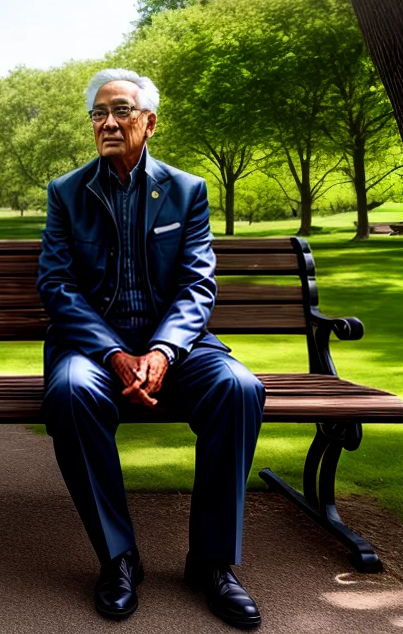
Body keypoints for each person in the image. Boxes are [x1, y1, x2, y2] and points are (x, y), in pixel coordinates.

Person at [38, 69, 264, 630]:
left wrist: (162, 352)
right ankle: (119, 558)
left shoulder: (187, 191)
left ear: (149, 122)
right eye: (98, 114)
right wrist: (117, 355)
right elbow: (57, 285)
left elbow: (197, 285)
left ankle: (212, 563)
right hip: (93, 350)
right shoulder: (67, 193)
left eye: (120, 111)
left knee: (239, 388)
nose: (108, 123)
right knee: (69, 394)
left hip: (178, 349)